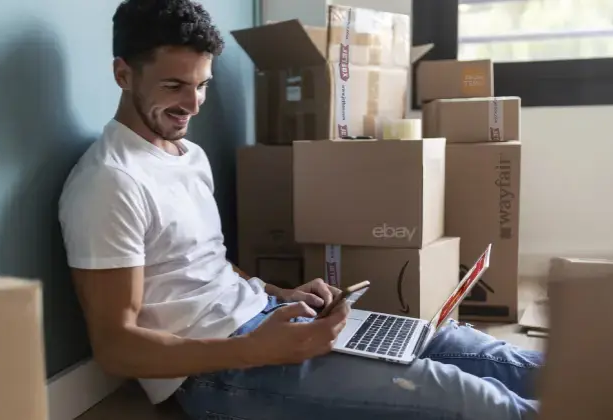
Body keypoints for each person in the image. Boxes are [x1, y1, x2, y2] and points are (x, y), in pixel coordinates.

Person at [58, 0, 543, 418]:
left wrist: (279, 293)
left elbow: (200, 263)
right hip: (215, 375)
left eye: (202, 84)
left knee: (479, 353)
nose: (194, 103)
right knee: (479, 403)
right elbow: (116, 347)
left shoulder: (187, 156)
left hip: (266, 321)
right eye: (173, 86)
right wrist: (252, 350)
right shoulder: (109, 182)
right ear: (123, 74)